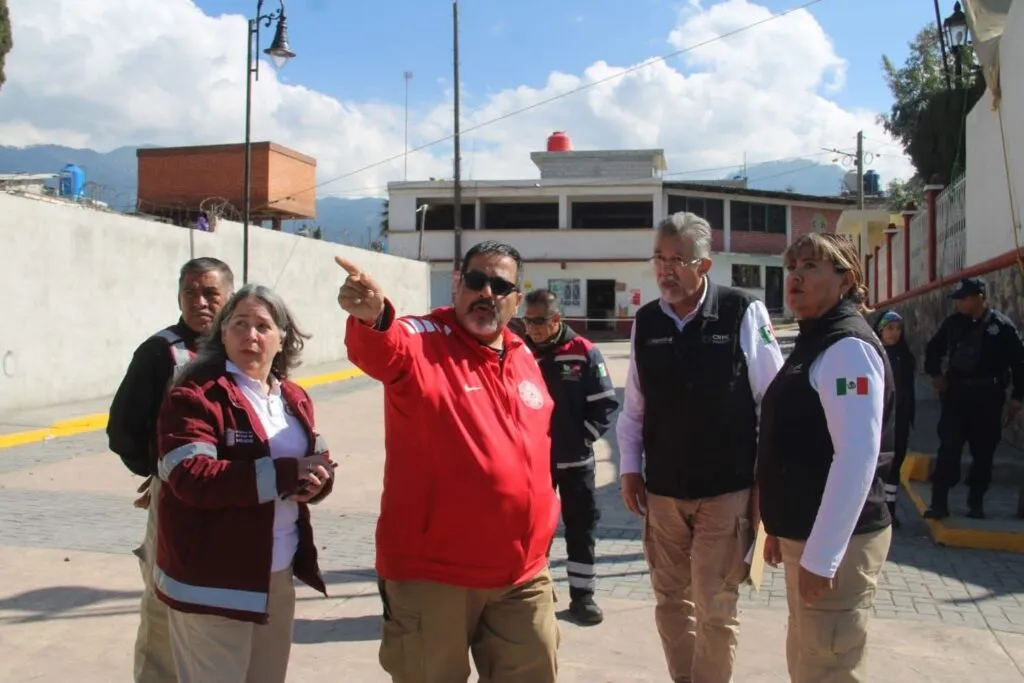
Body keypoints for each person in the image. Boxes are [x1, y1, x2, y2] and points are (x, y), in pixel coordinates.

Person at [338, 241, 562, 683]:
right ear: (458, 283)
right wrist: (373, 316)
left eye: (501, 286)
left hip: (522, 574)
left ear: (517, 298)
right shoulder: (423, 339)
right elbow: (384, 348)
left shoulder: (521, 354)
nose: (487, 293)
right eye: (476, 280)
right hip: (434, 576)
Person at [617, 212, 785, 683]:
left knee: (715, 606)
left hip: (726, 491)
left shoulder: (742, 312)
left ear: (704, 265)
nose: (666, 270)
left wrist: (763, 485)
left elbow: (772, 404)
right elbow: (634, 407)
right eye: (659, 258)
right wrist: (630, 469)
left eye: (678, 260)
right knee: (671, 602)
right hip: (664, 493)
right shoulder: (647, 322)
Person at [154, 283, 335, 683]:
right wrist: (289, 473)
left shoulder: (293, 397)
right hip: (212, 582)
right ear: (222, 333)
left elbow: (315, 457)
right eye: (239, 324)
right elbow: (192, 476)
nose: (250, 335)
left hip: (275, 574)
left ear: (282, 337)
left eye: (262, 325)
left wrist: (319, 481)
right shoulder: (196, 395)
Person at [757, 232, 894, 682]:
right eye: (791, 266)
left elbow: (856, 457)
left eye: (811, 266)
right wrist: (779, 527)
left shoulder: (847, 348)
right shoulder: (815, 340)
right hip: (807, 536)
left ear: (846, 279)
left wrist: (823, 555)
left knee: (829, 665)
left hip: (838, 544)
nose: (795, 276)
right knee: (808, 658)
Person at [107, 256, 233, 683]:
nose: (200, 302)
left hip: (234, 498)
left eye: (211, 293)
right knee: (163, 603)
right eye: (190, 293)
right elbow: (123, 426)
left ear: (229, 296)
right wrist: (158, 470)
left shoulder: (242, 347)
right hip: (176, 500)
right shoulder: (160, 352)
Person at [521, 288, 619, 625]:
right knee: (535, 531)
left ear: (557, 319)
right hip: (534, 467)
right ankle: (537, 595)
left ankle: (583, 598)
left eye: (539, 321)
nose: (532, 328)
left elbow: (606, 404)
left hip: (577, 465)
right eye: (527, 320)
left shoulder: (584, 353)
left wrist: (580, 440)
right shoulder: (520, 353)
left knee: (581, 529)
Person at [922, 276, 1024, 520]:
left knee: (984, 451)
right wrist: (936, 374)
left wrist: (1017, 398)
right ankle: (939, 502)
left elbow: (1019, 363)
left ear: (980, 298)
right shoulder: (953, 323)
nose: (960, 304)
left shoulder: (1001, 326)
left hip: (988, 397)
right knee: (949, 447)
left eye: (964, 299)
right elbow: (933, 350)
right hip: (957, 396)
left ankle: (976, 503)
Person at [874, 310, 917, 528]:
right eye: (890, 328)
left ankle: (890, 507)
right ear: (880, 329)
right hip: (880, 420)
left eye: (898, 328)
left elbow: (909, 388)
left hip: (899, 419)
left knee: (896, 462)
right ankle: (876, 507)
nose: (894, 333)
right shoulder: (874, 354)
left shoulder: (905, 355)